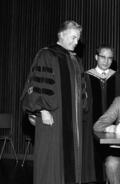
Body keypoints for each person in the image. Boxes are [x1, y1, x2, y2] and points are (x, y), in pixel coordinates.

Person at [20, 20, 87, 184]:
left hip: (72, 122)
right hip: (52, 118)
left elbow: (82, 92)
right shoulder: (46, 55)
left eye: (78, 38)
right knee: (50, 162)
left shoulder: (75, 60)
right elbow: (36, 85)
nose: (76, 42)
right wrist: (42, 109)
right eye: (73, 37)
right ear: (61, 35)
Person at [83, 45, 120, 182]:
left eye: (109, 58)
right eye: (103, 57)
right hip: (91, 121)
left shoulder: (116, 77)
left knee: (111, 155)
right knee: (92, 153)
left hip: (112, 124)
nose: (106, 61)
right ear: (96, 57)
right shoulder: (86, 76)